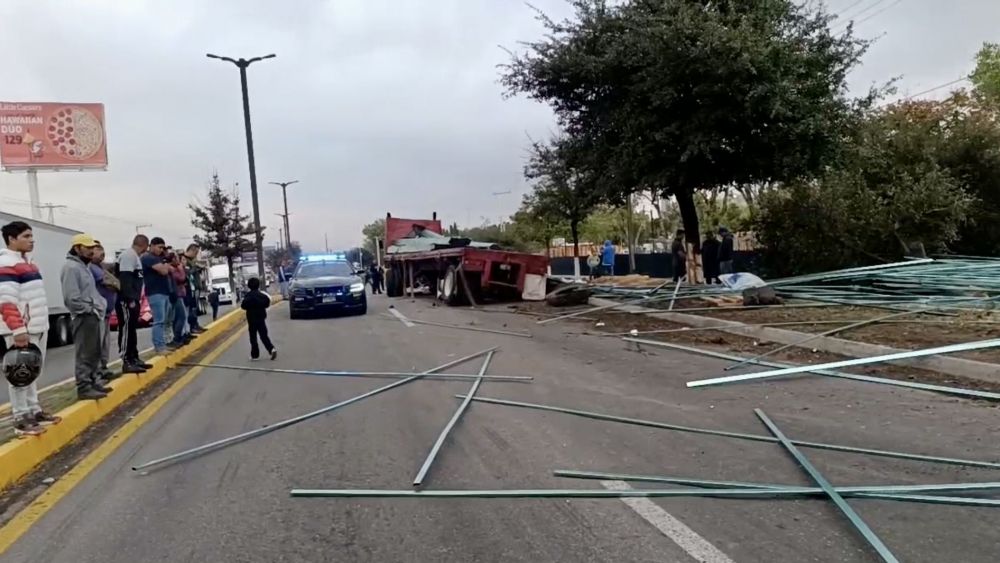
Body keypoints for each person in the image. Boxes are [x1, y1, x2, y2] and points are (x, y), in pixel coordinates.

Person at [0, 221, 62, 435]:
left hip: (36, 326)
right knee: (19, 373)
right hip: (21, 329)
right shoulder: (6, 262)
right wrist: (18, 330)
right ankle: (20, 417)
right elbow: (6, 301)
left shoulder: (29, 263)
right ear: (11, 239)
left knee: (32, 371)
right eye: (26, 236)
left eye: (31, 236)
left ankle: (34, 411)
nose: (31, 240)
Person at [61, 233, 109, 400]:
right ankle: (84, 386)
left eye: (92, 248)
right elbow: (71, 298)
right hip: (84, 316)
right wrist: (89, 309)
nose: (91, 251)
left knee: (94, 351)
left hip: (92, 315)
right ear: (77, 248)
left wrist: (99, 304)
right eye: (87, 248)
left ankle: (93, 382)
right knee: (85, 353)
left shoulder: (83, 266)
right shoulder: (71, 268)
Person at [116, 235, 151, 374]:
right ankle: (126, 360)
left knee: (132, 330)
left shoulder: (135, 257)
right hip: (126, 300)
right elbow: (125, 279)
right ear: (144, 245)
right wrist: (130, 299)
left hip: (134, 299)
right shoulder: (128, 256)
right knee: (126, 330)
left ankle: (134, 357)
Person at [89, 242, 121, 381]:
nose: (101, 252)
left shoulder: (101, 267)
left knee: (105, 343)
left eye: (102, 249)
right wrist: (116, 283)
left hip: (107, 312)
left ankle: (103, 367)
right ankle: (96, 372)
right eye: (97, 250)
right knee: (97, 343)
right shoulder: (92, 268)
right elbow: (110, 282)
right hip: (98, 312)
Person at [141, 237, 173, 355]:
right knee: (159, 321)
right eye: (159, 247)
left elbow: (171, 269)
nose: (161, 250)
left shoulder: (158, 258)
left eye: (163, 248)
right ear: (152, 246)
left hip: (164, 292)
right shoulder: (148, 258)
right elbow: (165, 271)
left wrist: (165, 262)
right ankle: (159, 346)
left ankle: (162, 344)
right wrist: (166, 262)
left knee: (164, 320)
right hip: (155, 293)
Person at [240, 277, 276, 361]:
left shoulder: (248, 296)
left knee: (253, 337)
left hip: (251, 320)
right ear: (258, 285)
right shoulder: (262, 296)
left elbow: (243, 306)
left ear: (249, 286)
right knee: (264, 336)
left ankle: (255, 355)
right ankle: (271, 349)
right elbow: (267, 304)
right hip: (261, 318)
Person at [167, 251, 192, 349]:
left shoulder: (175, 268)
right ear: (172, 259)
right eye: (177, 258)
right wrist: (181, 268)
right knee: (180, 317)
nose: (179, 261)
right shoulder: (172, 269)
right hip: (176, 295)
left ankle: (180, 336)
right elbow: (181, 278)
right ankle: (177, 337)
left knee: (181, 317)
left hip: (180, 294)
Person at [183, 244, 206, 335]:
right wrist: (195, 268)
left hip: (195, 287)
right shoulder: (185, 260)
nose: (196, 255)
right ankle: (193, 326)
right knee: (191, 308)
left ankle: (195, 324)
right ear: (192, 250)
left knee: (194, 308)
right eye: (196, 252)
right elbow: (187, 273)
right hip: (190, 288)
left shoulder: (192, 261)